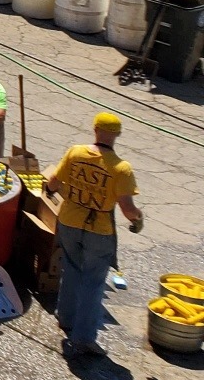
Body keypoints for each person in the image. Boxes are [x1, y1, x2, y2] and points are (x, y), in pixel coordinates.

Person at [45, 112, 144, 358]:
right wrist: (138, 220)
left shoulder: (75, 153)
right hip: (98, 231)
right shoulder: (121, 168)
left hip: (69, 222)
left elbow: (53, 183)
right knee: (93, 282)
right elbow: (128, 209)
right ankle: (84, 338)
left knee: (71, 270)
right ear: (117, 135)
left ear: (95, 130)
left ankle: (66, 318)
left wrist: (58, 190)